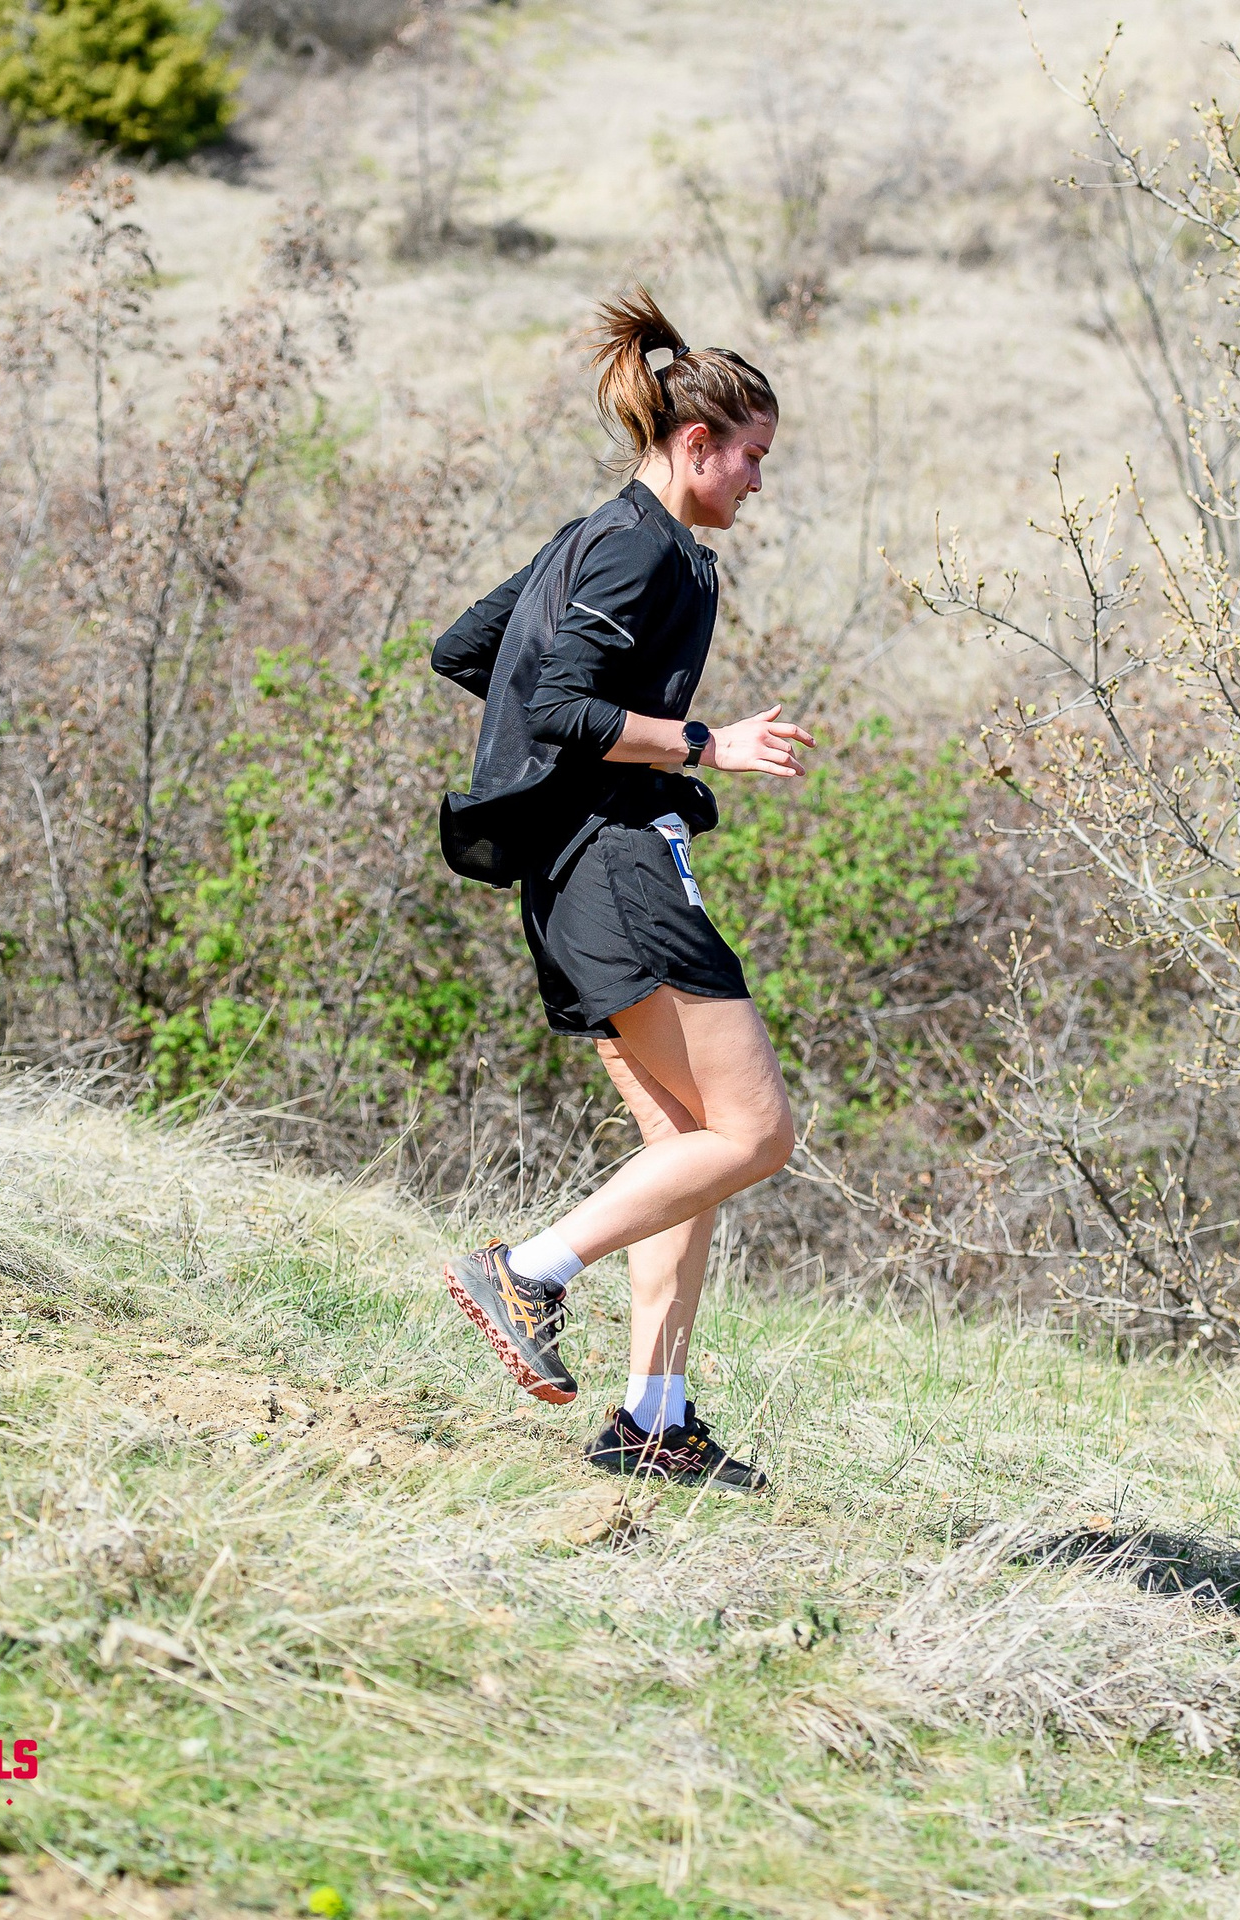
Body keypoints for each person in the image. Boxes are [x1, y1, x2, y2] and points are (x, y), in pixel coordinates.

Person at [430, 288, 812, 1493]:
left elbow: (467, 653)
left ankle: (654, 1416)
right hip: (617, 868)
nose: (757, 479)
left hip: (566, 875)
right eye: (750, 456)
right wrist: (704, 746)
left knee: (686, 1148)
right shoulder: (643, 545)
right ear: (695, 444)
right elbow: (556, 705)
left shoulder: (592, 539)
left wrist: (564, 756)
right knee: (755, 1134)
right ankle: (528, 1272)